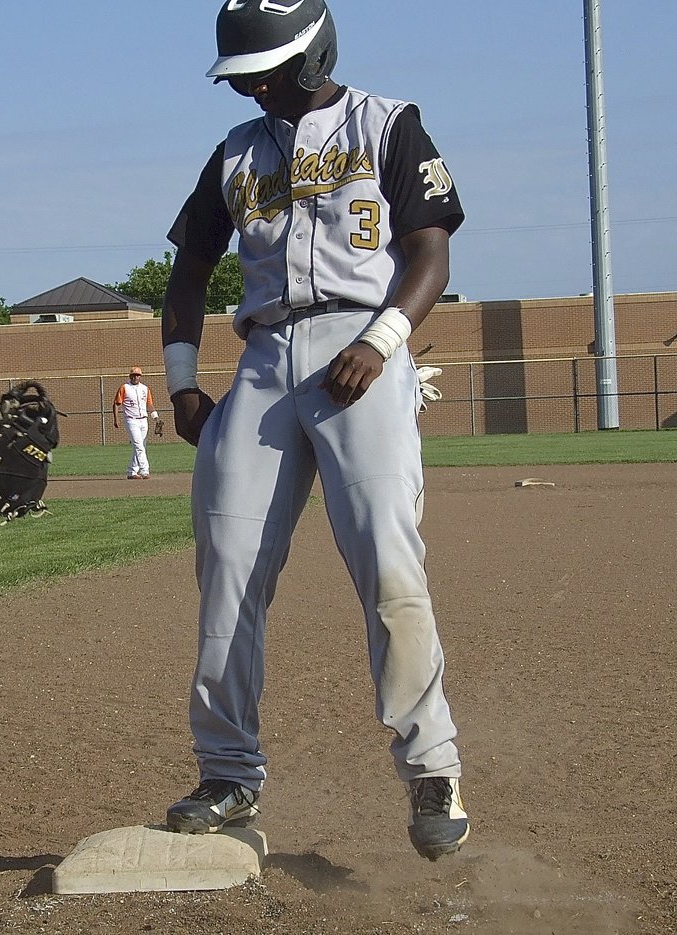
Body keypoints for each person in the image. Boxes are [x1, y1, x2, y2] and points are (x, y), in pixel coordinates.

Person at [160, 0, 469, 861]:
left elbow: (430, 253)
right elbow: (189, 271)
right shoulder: (235, 152)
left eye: (262, 71)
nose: (251, 88)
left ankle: (431, 767)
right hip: (262, 355)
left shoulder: (387, 124)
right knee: (225, 567)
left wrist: (382, 340)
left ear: (311, 53)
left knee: (386, 554)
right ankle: (228, 771)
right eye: (242, 76)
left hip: (359, 345)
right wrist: (184, 385)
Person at [112, 366, 160, 479]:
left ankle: (132, 471)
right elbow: (116, 403)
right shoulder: (125, 388)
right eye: (133, 375)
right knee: (139, 445)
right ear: (130, 376)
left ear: (140, 377)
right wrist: (116, 418)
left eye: (137, 375)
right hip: (131, 420)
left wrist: (156, 417)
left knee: (140, 446)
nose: (135, 377)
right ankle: (144, 470)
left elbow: (149, 404)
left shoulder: (145, 388)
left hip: (144, 420)